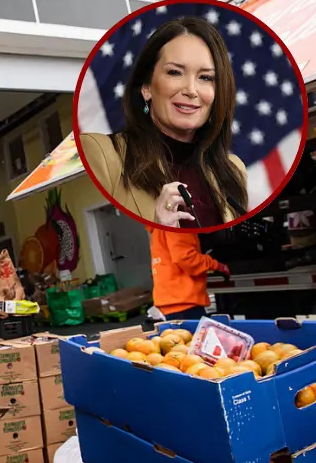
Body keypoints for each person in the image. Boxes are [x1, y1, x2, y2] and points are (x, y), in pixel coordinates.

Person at [80, 16, 248, 229]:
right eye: (175, 72)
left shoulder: (233, 169)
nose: (191, 90)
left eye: (205, 77)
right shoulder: (103, 154)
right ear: (147, 87)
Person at [148, 227, 229, 320]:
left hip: (172, 300)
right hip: (184, 303)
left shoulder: (159, 226)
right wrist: (217, 265)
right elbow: (186, 258)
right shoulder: (176, 223)